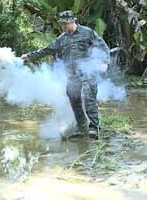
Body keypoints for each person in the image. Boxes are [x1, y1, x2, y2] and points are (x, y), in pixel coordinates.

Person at [21, 10, 110, 139]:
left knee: (89, 98)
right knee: (74, 99)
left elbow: (102, 46)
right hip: (72, 75)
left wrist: (105, 62)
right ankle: (81, 126)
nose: (63, 26)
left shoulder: (87, 32)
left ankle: (94, 128)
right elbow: (47, 49)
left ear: (72, 21)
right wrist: (29, 57)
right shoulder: (62, 38)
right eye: (62, 24)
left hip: (87, 73)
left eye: (65, 24)